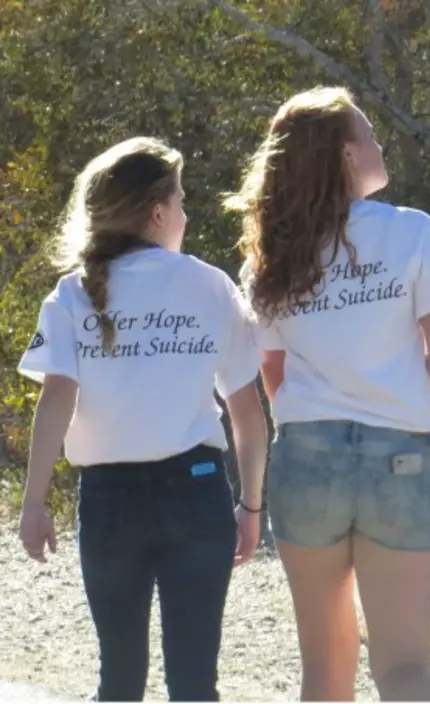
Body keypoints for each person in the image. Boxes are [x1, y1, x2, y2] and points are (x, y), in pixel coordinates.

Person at [224, 86, 430, 702]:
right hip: (401, 459)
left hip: (306, 458)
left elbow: (273, 376)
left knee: (326, 671)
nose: (380, 141)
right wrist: (384, 380)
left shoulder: (271, 259)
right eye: (368, 132)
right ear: (343, 153)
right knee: (406, 666)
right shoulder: (412, 232)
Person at [16, 137, 268, 702]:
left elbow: (55, 400)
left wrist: (34, 502)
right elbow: (247, 414)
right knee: (195, 682)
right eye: (181, 201)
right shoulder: (211, 285)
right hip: (199, 495)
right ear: (158, 213)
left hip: (109, 501)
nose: (186, 213)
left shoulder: (72, 293)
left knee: (119, 678)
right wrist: (251, 505)